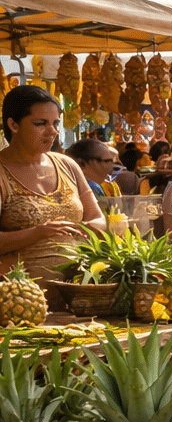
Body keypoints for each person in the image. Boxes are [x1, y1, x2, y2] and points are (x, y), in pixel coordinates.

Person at [0, 85, 105, 307]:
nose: (52, 131)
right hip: (20, 304)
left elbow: (98, 218)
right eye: (40, 124)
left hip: (80, 297)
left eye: (55, 123)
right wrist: (39, 232)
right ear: (13, 124)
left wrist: (86, 227)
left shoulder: (67, 165)